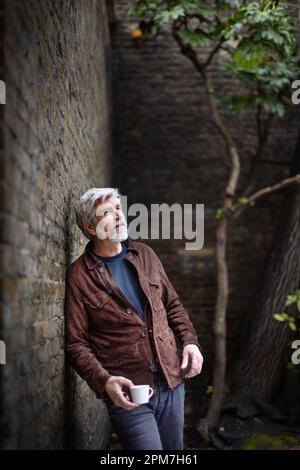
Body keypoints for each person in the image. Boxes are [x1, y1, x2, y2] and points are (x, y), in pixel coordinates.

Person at [65, 187, 203, 450]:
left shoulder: (145, 254)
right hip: (128, 393)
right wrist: (104, 381)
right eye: (107, 211)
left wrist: (190, 342)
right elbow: (75, 343)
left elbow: (172, 305)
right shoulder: (79, 276)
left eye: (119, 207)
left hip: (172, 381)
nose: (119, 215)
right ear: (90, 227)